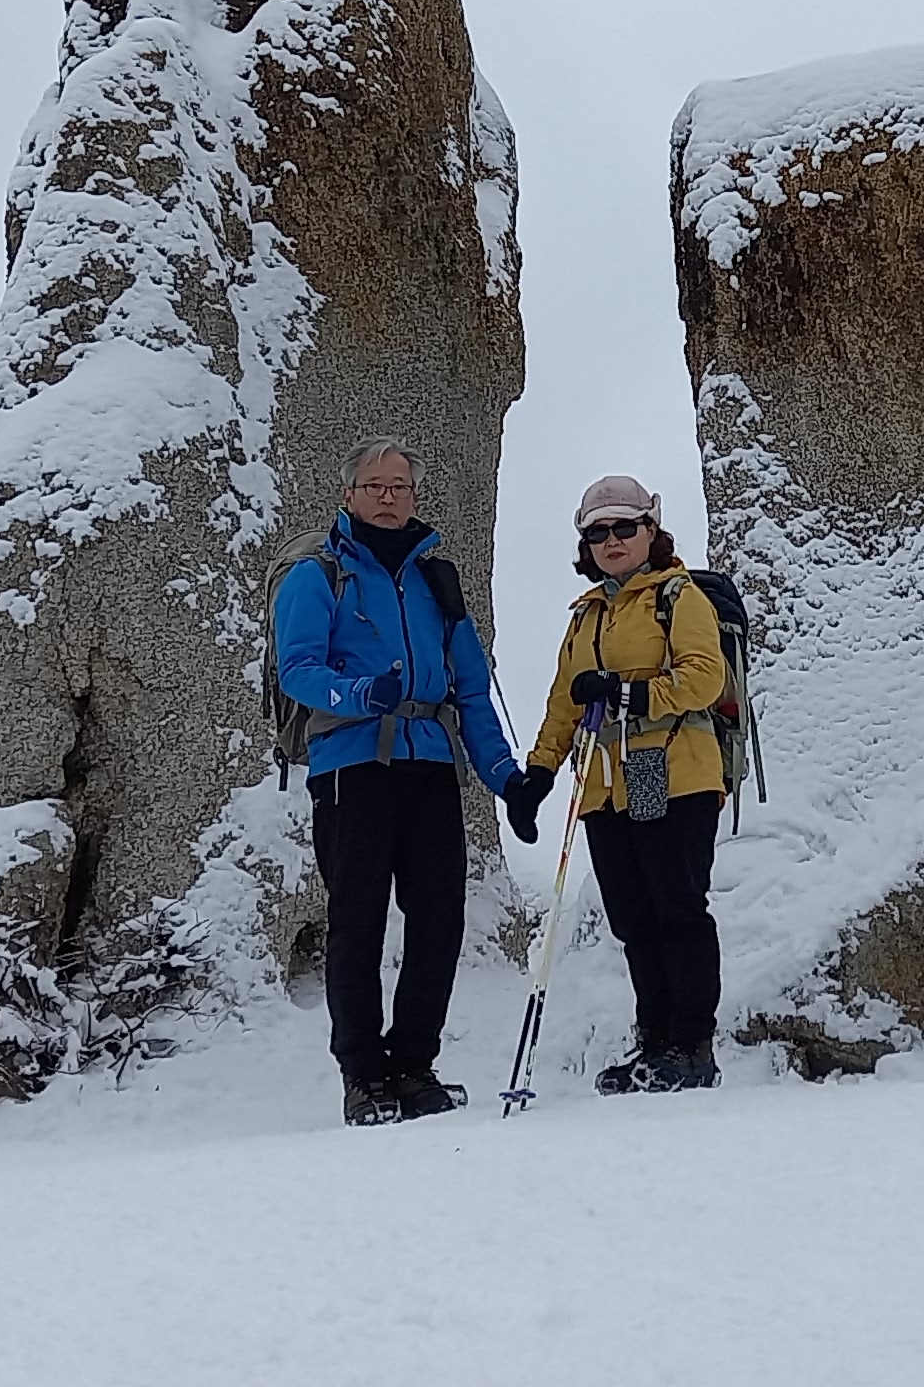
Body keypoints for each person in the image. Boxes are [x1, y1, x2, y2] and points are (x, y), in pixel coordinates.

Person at [272, 436, 526, 1127]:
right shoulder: (318, 575)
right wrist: (360, 694)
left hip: (429, 767)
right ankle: (363, 1075)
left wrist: (506, 778)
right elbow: (296, 667)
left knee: (439, 920)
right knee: (357, 921)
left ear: (414, 497)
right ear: (348, 495)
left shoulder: (436, 581)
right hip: (351, 769)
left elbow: (471, 692)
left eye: (399, 488)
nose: (388, 498)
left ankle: (414, 1066)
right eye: (374, 487)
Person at [515, 474, 732, 1094]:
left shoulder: (678, 598)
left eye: (624, 527)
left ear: (650, 530)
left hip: (676, 773)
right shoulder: (585, 617)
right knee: (634, 918)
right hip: (607, 785)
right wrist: (539, 774)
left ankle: (691, 1047)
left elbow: (703, 680)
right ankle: (655, 1045)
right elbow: (565, 702)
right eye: (598, 531)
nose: (611, 540)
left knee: (678, 911)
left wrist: (627, 692)